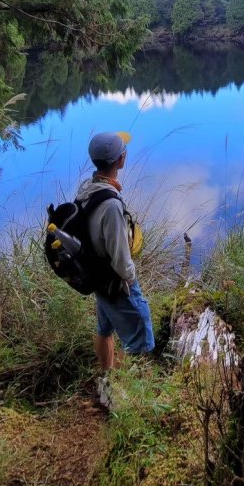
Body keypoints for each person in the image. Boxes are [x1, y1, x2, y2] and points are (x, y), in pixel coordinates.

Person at [75, 130, 154, 409]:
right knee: (142, 340)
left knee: (105, 328)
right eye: (123, 152)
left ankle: (106, 379)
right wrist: (132, 283)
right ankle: (139, 400)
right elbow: (121, 260)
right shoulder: (110, 205)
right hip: (115, 282)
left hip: (97, 277)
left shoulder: (87, 188)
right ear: (121, 160)